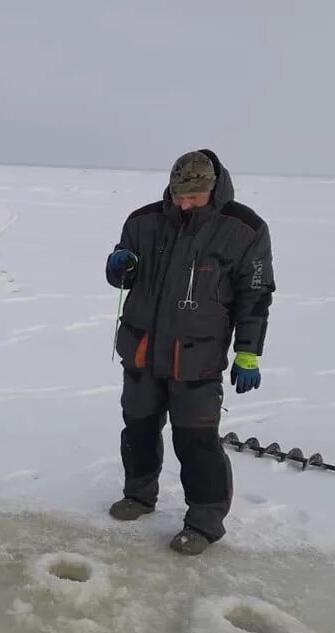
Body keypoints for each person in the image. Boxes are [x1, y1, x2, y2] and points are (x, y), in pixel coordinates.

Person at [105, 149, 275, 555]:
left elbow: (256, 295)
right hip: (143, 350)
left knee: (196, 440)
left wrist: (248, 353)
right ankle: (140, 495)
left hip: (196, 357)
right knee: (139, 427)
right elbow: (120, 276)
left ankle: (203, 521)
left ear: (213, 188)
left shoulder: (244, 228)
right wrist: (118, 265)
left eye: (193, 197)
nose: (184, 204)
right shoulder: (143, 221)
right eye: (179, 195)